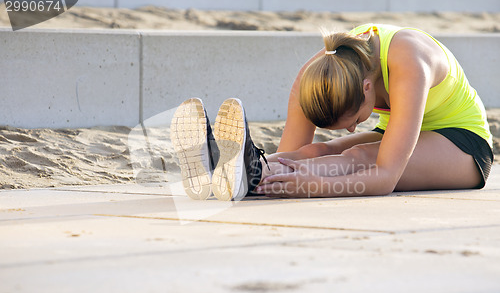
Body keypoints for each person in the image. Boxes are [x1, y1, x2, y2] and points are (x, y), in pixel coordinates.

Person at [171, 24, 493, 200]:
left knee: (362, 157)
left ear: (367, 87)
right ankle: (232, 168)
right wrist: (284, 168)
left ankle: (246, 174)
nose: (352, 131)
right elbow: (293, 151)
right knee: (317, 150)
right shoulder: (322, 71)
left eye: (353, 120)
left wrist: (316, 185)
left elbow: (384, 177)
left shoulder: (409, 61)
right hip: (409, 131)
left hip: (463, 143)